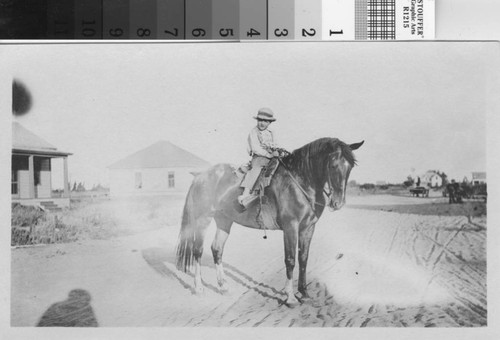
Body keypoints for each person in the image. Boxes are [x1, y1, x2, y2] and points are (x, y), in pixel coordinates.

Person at [238, 108, 280, 206]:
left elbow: (275, 143)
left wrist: (276, 151)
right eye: (260, 120)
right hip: (259, 157)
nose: (262, 123)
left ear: (269, 123)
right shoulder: (254, 132)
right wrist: (268, 154)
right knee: (256, 169)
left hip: (271, 156)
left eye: (265, 121)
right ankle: (246, 192)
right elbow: (255, 148)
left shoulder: (271, 132)